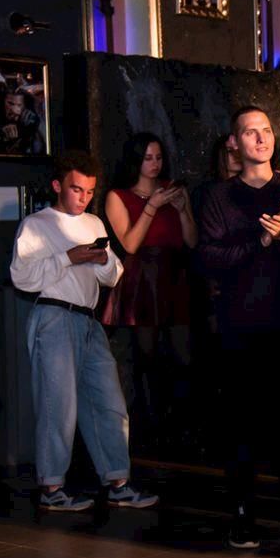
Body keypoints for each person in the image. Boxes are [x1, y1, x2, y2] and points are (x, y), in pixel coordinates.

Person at [10, 150, 158, 511]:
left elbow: (113, 275)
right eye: (77, 189)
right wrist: (69, 257)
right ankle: (51, 488)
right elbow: (22, 277)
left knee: (109, 402)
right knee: (57, 405)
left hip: (89, 319)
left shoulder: (93, 223)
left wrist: (101, 258)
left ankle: (118, 482)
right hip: (54, 315)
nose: (84, 198)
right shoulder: (36, 224)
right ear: (57, 186)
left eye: (90, 191)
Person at [197, 105, 280, 549]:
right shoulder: (218, 197)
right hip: (240, 323)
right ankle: (243, 513)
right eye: (251, 132)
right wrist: (261, 240)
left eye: (266, 130)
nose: (262, 138)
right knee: (241, 422)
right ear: (234, 142)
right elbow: (208, 258)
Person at [101, 133, 196, 449]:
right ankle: (150, 427)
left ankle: (183, 424)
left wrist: (182, 210)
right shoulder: (118, 196)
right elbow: (129, 244)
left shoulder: (173, 189)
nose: (155, 164)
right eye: (147, 158)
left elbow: (192, 240)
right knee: (147, 355)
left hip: (174, 274)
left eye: (158, 157)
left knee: (184, 354)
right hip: (143, 278)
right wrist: (152, 206)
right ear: (135, 161)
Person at [0, 87, 45, 155]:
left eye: (19, 105)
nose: (14, 109)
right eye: (10, 103)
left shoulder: (29, 117)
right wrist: (0, 132)